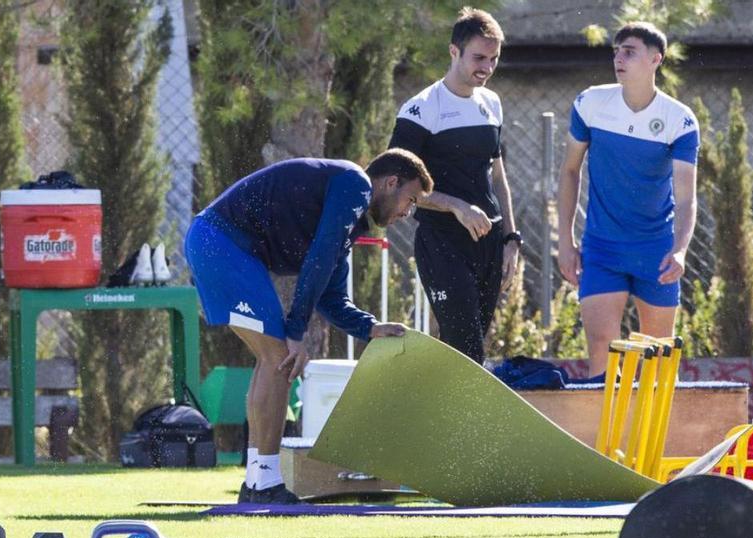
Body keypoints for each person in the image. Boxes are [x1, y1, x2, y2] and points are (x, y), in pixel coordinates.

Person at [185, 150, 432, 504]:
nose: (408, 213)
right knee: (281, 358)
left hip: (218, 244)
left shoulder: (351, 215)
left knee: (273, 360)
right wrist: (296, 332)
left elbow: (331, 296)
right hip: (220, 243)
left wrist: (370, 327)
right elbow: (319, 257)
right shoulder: (355, 184)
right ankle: (264, 483)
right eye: (410, 200)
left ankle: (257, 479)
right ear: (390, 182)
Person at [556, 22, 699, 379]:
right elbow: (570, 171)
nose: (618, 58)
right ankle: (605, 437)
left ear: (656, 59)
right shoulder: (590, 103)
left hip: (657, 252)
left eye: (629, 51)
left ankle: (657, 436)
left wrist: (680, 250)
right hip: (602, 249)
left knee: (659, 361)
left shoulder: (679, 120)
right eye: (616, 50)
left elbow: (685, 199)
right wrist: (565, 241)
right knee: (601, 353)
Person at [389, 7, 520, 365]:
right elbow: (397, 184)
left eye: (494, 59)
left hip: (490, 243)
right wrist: (456, 206)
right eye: (479, 57)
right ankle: (450, 419)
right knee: (463, 346)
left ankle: (447, 418)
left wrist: (511, 239)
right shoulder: (420, 109)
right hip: (443, 241)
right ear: (454, 51)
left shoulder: (491, 103)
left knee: (471, 348)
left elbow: (498, 175)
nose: (487, 67)